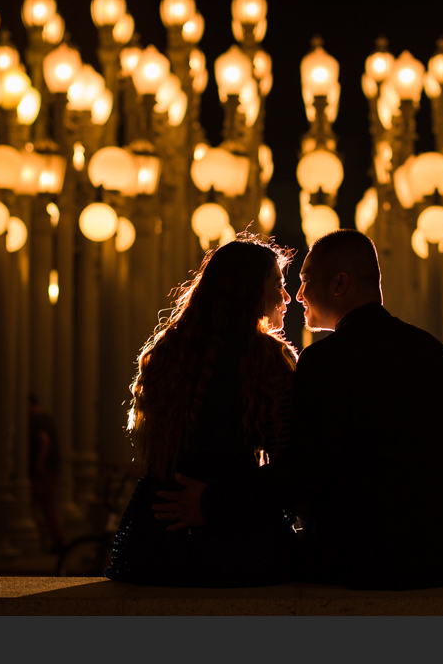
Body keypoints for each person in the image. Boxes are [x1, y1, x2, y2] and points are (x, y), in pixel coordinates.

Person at [156, 229, 443, 589]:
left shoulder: (326, 361)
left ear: (339, 283)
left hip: (368, 560)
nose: (298, 294)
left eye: (304, 281)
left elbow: (304, 470)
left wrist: (213, 502)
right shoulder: (434, 352)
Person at [104, 235, 299, 587]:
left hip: (159, 531)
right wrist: (215, 502)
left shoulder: (169, 353)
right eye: (278, 284)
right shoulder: (267, 360)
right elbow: (288, 466)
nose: (286, 297)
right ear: (249, 290)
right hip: (240, 539)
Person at [28, 394, 67, 554]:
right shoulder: (47, 418)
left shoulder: (37, 420)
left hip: (44, 471)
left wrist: (39, 462)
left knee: (46, 506)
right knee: (47, 506)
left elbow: (44, 440)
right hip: (52, 468)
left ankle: (57, 541)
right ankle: (54, 540)